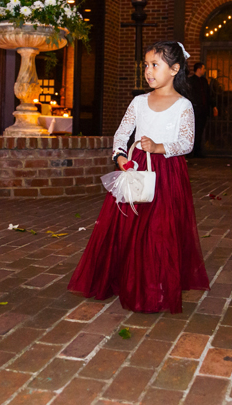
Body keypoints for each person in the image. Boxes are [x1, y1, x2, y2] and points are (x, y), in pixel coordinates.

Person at [68, 41, 210, 313]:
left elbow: (187, 143)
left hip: (167, 172)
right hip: (137, 169)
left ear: (174, 69)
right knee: (130, 226)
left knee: (159, 228)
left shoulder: (183, 106)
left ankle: (157, 284)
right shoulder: (139, 102)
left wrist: (159, 147)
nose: (148, 71)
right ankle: (127, 277)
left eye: (155, 65)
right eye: (146, 65)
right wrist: (120, 156)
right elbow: (122, 133)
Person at [187, 62, 217, 157]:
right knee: (193, 131)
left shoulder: (204, 81)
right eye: (203, 68)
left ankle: (198, 151)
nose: (205, 70)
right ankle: (191, 151)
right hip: (194, 109)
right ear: (199, 69)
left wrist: (213, 106)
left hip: (203, 110)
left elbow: (208, 94)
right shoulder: (191, 81)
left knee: (200, 131)